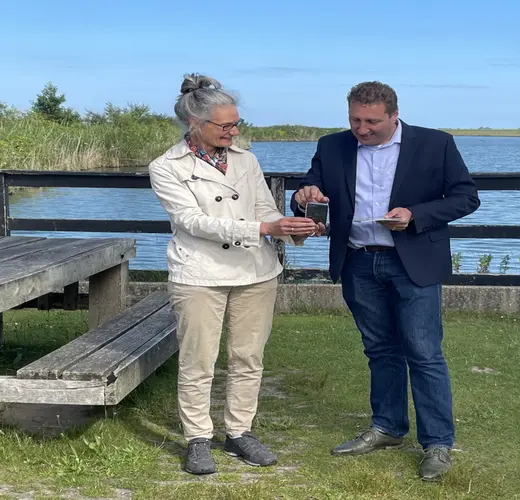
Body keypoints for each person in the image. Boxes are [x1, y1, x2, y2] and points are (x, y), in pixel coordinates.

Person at [291, 81, 480, 480]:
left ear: (394, 115)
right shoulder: (332, 145)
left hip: (412, 263)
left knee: (424, 352)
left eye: (372, 121)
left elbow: (465, 197)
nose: (362, 129)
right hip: (359, 262)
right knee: (379, 349)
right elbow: (310, 191)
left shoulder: (436, 144)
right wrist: (303, 195)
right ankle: (388, 428)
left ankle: (438, 444)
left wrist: (414, 214)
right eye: (355, 120)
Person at [149, 73, 324, 475]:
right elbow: (192, 221)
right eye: (225, 125)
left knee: (248, 356)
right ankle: (197, 438)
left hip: (256, 271)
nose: (234, 130)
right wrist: (263, 230)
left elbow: (264, 208)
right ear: (196, 124)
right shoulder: (166, 167)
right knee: (198, 359)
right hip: (199, 273)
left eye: (236, 123)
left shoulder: (247, 160)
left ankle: (239, 432)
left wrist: (289, 225)